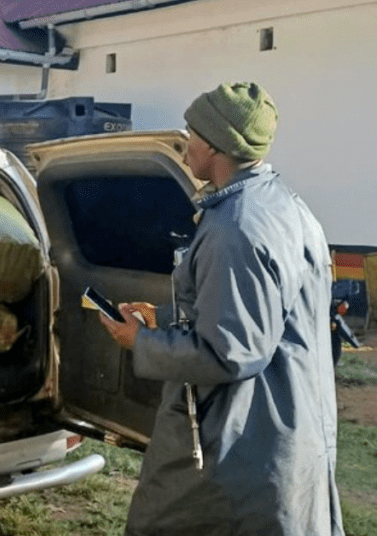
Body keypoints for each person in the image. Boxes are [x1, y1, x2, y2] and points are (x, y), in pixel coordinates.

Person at [98, 82, 343, 535]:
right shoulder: (284, 206)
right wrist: (166, 318)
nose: (185, 143)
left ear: (212, 144)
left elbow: (229, 353)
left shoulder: (236, 228)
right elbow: (260, 314)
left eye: (191, 132)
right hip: (287, 423)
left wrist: (141, 341)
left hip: (241, 442)